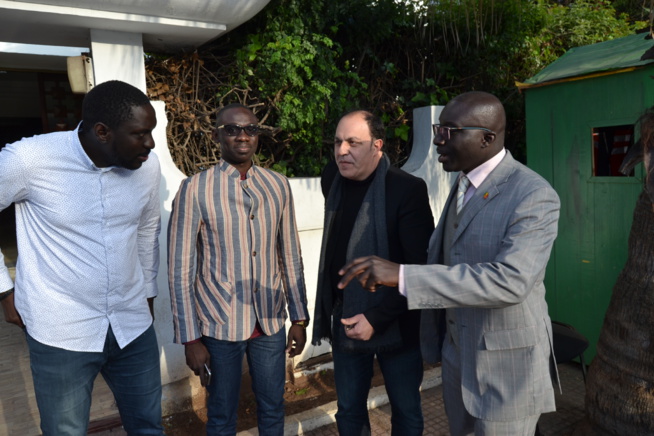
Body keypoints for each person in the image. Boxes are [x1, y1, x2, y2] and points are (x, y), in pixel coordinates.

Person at [338, 92, 561, 436]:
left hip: (506, 369)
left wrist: (401, 275)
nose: (438, 141)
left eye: (449, 131)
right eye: (437, 130)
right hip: (459, 363)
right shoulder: (463, 183)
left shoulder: (532, 194)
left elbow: (511, 281)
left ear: (487, 138)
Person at [0, 80, 164, 435]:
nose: (150, 144)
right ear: (102, 132)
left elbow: (148, 228)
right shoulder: (28, 160)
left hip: (131, 324)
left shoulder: (146, 166)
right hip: (61, 330)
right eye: (140, 134)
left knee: (148, 426)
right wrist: (3, 290)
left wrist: (148, 292)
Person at [168, 103, 310, 435]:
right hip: (219, 326)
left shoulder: (277, 185)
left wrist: (299, 318)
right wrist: (190, 339)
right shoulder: (195, 189)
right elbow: (180, 268)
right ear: (217, 135)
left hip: (270, 322)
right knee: (220, 414)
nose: (242, 136)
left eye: (250, 129)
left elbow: (290, 254)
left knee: (273, 407)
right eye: (232, 129)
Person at [312, 110, 434, 435]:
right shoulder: (332, 179)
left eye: (353, 142)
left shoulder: (406, 190)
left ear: (377, 145)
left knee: (406, 413)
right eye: (337, 142)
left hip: (398, 325)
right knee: (349, 412)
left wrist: (377, 318)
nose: (341, 151)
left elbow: (421, 271)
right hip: (347, 318)